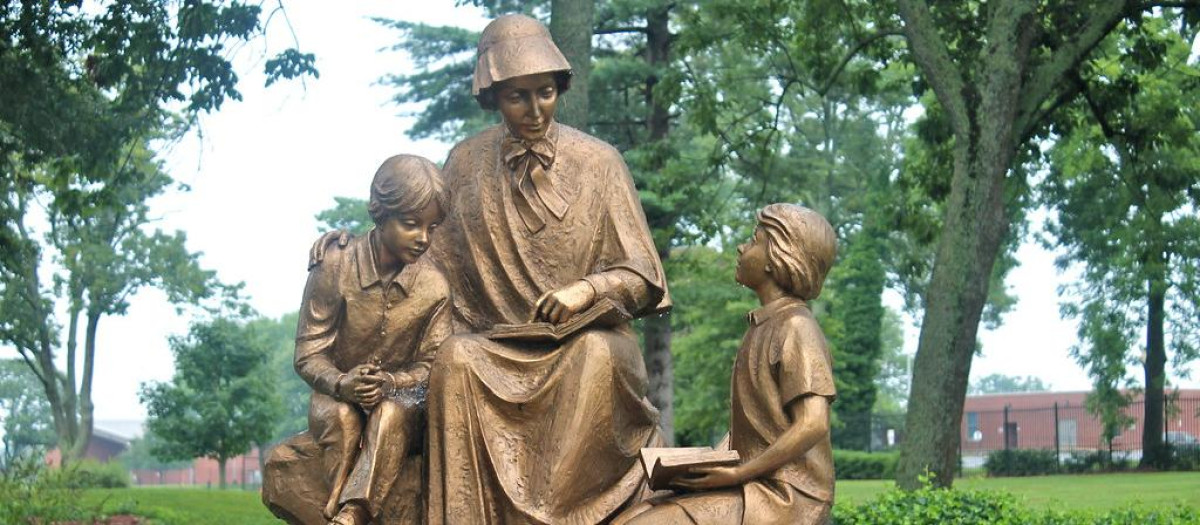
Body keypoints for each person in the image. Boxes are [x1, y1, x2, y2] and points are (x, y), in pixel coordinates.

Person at [422, 14, 671, 524]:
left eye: (545, 93)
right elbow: (426, 258)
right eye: (518, 97)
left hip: (587, 341)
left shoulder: (599, 162)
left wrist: (588, 289)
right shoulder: (466, 163)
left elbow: (645, 275)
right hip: (498, 344)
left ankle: (553, 516)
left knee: (596, 354)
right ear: (492, 96)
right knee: (455, 359)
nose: (535, 110)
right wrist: (357, 250)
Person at [613, 204, 838, 525]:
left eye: (754, 240)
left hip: (788, 493)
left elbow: (813, 422)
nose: (741, 247)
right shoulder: (762, 326)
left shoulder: (797, 327)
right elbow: (753, 429)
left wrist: (737, 474)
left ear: (778, 258)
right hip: (755, 483)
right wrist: (707, 463)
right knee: (635, 514)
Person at [294, 154, 452, 525]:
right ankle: (333, 507)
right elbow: (307, 353)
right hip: (336, 394)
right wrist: (341, 383)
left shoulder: (435, 287)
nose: (423, 239)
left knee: (391, 414)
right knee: (343, 418)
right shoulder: (334, 264)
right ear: (379, 212)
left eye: (432, 228)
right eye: (412, 225)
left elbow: (431, 366)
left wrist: (391, 384)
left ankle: (353, 513)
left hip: (403, 401)